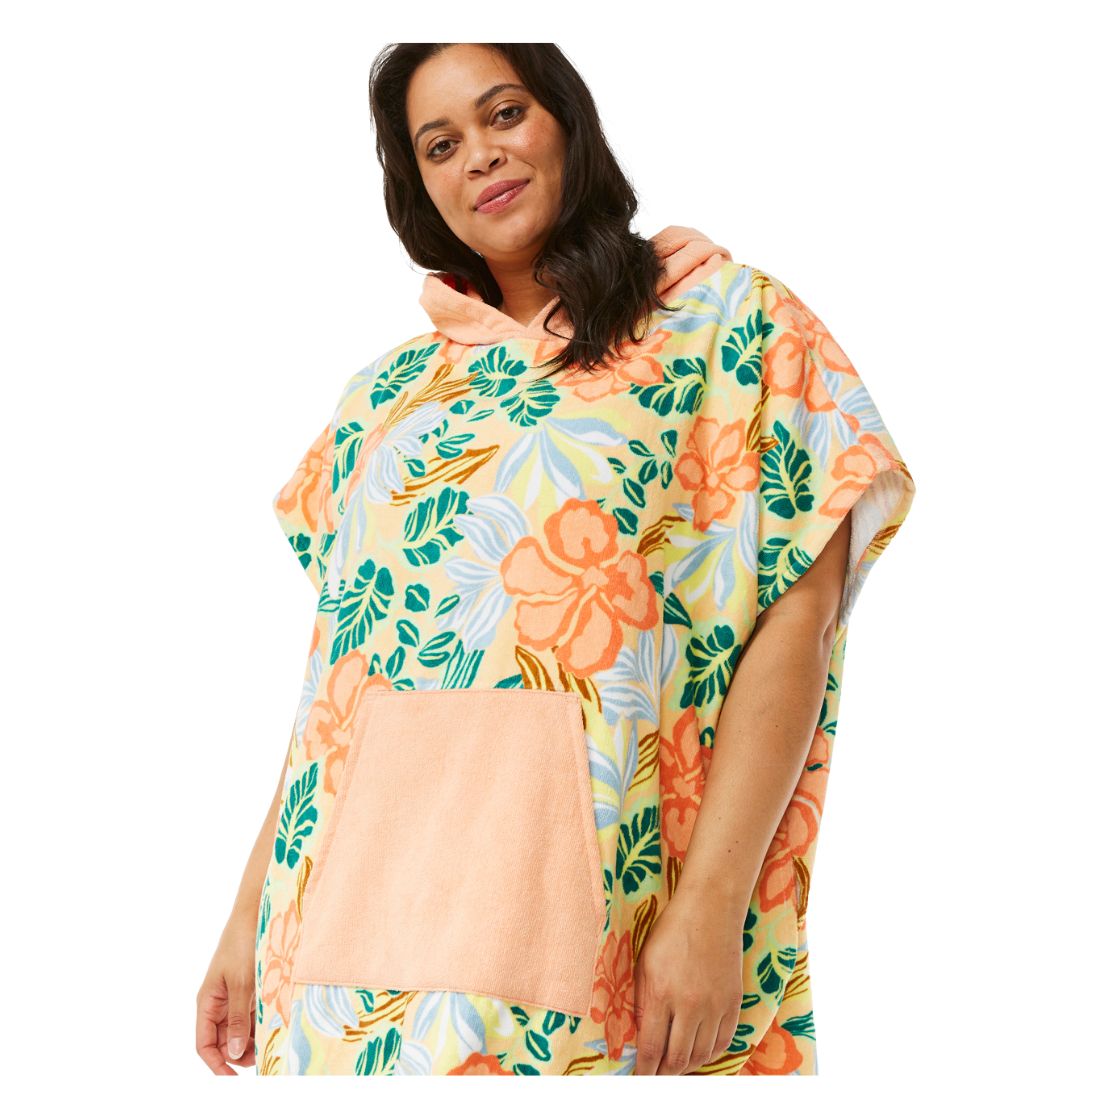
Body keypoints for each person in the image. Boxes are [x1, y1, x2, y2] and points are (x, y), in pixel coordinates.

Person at [195, 42, 916, 1078]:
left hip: (600, 944)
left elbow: (795, 626)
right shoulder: (385, 399)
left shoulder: (730, 322)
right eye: (439, 145)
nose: (479, 156)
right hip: (344, 966)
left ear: (567, 120)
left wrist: (712, 906)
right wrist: (246, 912)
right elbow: (338, 691)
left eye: (503, 114)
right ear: (418, 188)